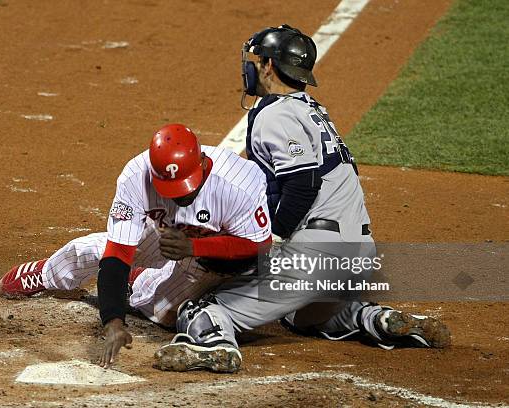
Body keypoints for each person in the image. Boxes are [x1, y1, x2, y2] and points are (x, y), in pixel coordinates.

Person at [153, 25, 450, 373]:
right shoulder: (311, 110)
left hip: (317, 255)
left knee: (200, 309)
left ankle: (216, 345)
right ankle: (374, 317)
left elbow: (302, 184)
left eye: (256, 59)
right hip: (359, 254)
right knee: (300, 317)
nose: (251, 67)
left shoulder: (274, 114)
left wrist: (271, 241)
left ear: (268, 66)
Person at [0, 124, 271, 368]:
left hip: (212, 254)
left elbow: (258, 246)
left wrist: (195, 248)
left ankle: (140, 281)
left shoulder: (239, 184)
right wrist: (113, 322)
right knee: (101, 250)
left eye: (187, 187)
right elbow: (118, 254)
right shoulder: (136, 177)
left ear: (201, 161)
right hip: (165, 233)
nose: (183, 195)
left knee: (165, 312)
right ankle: (47, 273)